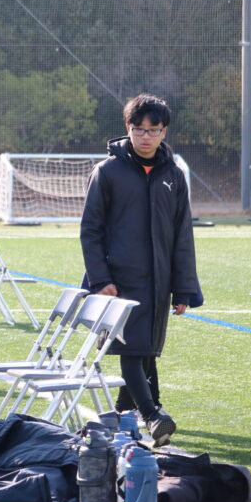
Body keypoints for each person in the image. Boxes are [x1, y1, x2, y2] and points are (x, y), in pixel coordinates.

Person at [80, 93, 202, 448]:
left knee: (147, 348)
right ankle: (151, 414)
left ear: (164, 132)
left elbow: (182, 235)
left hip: (159, 281)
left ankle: (125, 412)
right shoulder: (107, 172)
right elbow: (90, 230)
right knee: (131, 348)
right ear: (127, 128)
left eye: (154, 130)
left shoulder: (174, 175)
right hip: (118, 282)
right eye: (139, 129)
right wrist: (101, 280)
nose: (146, 136)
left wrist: (183, 288)